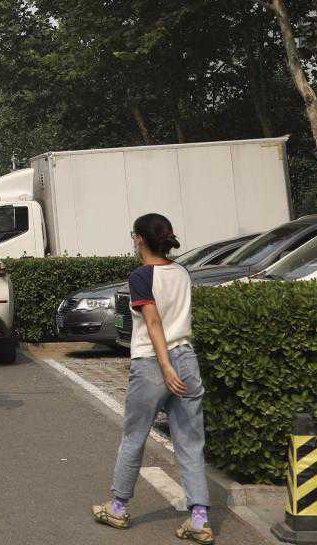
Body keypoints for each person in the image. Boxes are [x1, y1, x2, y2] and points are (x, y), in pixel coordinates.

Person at [93, 213, 214, 543]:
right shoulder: (182, 272)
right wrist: (175, 364)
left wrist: (166, 366)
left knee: (134, 436)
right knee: (190, 441)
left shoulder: (140, 276)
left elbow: (154, 322)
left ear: (140, 239)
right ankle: (199, 519)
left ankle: (118, 508)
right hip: (187, 359)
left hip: (153, 363)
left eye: (134, 236)